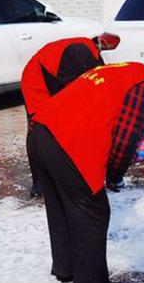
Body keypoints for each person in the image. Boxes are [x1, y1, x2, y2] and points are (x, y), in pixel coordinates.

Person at [28, 53, 144, 283]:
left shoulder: (124, 70)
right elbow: (125, 140)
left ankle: (65, 270)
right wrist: (115, 177)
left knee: (61, 205)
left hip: (41, 132)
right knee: (94, 211)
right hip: (65, 142)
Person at [21, 37, 104, 197]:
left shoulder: (95, 60)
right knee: (40, 129)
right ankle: (40, 181)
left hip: (61, 70)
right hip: (38, 78)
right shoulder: (66, 66)